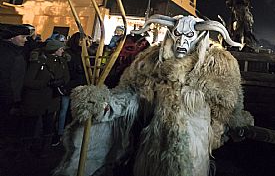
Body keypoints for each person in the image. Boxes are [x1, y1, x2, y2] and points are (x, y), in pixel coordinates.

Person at [54, 15, 253, 176]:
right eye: (177, 35)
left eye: (189, 36)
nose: (182, 42)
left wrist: (226, 129)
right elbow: (131, 93)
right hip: (153, 150)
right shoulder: (152, 60)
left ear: (200, 37)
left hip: (195, 153)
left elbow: (228, 108)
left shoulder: (217, 65)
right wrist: (104, 103)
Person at [21, 39, 70, 155]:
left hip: (52, 99)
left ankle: (45, 149)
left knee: (49, 124)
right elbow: (28, 81)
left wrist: (61, 82)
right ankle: (27, 149)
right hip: (37, 99)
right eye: (60, 49)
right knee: (32, 124)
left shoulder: (62, 62)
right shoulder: (39, 61)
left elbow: (66, 76)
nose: (62, 51)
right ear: (54, 50)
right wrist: (46, 83)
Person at [0, 24, 30, 151]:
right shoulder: (5, 54)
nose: (26, 39)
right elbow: (4, 79)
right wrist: (11, 98)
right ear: (12, 38)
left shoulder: (17, 51)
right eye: (23, 36)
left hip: (12, 98)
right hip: (5, 98)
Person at [54, 32, 86, 146]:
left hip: (79, 85)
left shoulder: (84, 53)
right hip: (69, 84)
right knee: (64, 109)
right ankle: (59, 133)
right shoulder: (69, 53)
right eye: (83, 40)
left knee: (74, 110)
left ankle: (70, 133)